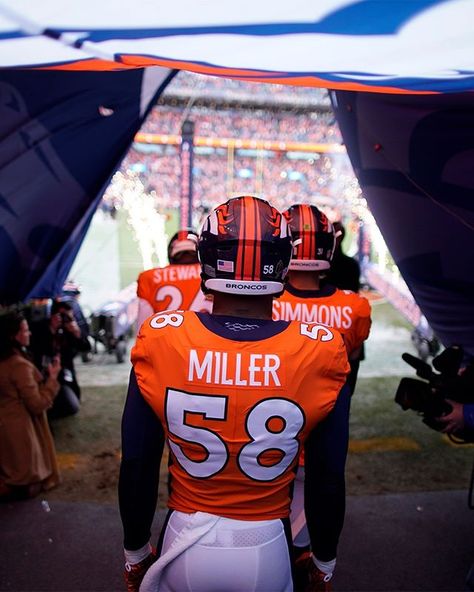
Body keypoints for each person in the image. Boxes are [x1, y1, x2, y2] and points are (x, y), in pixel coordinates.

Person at [119, 195, 351, 592]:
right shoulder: (321, 348)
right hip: (267, 544)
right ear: (282, 262)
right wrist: (324, 559)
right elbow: (327, 477)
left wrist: (136, 552)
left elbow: (139, 462)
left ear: (207, 258)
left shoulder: (162, 337)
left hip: (184, 536)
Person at [272, 204, 371, 570]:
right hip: (323, 429)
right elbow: (353, 355)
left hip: (268, 437)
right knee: (311, 525)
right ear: (329, 248)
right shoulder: (354, 307)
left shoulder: (268, 302)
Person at [0, 310, 61, 501]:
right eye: (25, 330)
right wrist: (52, 380)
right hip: (21, 434)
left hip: (6, 429)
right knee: (24, 484)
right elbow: (36, 404)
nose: (30, 334)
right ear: (14, 336)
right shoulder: (19, 366)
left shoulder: (5, 362)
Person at [136, 228, 212, 330]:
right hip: (207, 341)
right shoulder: (213, 274)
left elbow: (143, 326)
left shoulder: (149, 277)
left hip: (168, 343)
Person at [29, 300, 91, 419]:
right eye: (63, 316)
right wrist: (51, 329)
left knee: (72, 406)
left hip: (63, 375)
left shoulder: (70, 329)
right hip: (42, 374)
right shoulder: (42, 327)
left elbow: (86, 347)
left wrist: (76, 332)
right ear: (53, 315)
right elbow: (37, 348)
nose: (66, 319)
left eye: (69, 316)